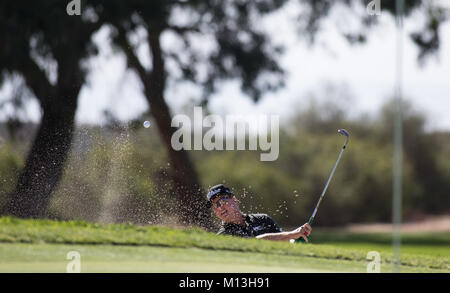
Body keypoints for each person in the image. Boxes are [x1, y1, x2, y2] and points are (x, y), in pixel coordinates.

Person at [207, 184, 312, 242]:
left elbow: (284, 241)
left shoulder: (263, 219)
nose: (220, 208)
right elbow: (254, 242)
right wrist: (292, 234)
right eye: (215, 205)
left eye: (222, 201)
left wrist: (297, 238)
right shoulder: (223, 235)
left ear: (234, 199)